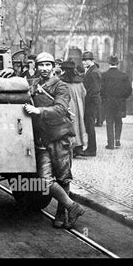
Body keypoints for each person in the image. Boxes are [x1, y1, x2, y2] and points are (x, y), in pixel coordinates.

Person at [23, 52, 85, 229]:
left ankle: (61, 215)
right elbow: (20, 86)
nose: (44, 69)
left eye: (47, 65)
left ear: (53, 67)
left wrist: (38, 111)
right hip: (42, 139)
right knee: (44, 180)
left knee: (63, 178)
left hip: (60, 138)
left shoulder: (61, 86)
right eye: (41, 65)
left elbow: (60, 109)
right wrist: (10, 73)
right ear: (36, 67)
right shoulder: (34, 83)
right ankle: (73, 207)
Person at [100, 55, 132, 149]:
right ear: (118, 63)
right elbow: (128, 90)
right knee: (119, 121)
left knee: (109, 122)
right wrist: (123, 98)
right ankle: (117, 140)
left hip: (108, 103)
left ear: (109, 63)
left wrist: (104, 99)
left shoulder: (104, 75)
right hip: (120, 103)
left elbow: (101, 90)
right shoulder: (124, 76)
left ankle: (110, 143)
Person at [59, 59, 87, 157]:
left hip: (67, 105)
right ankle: (78, 147)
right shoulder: (79, 81)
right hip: (79, 106)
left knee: (68, 125)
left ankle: (70, 146)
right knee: (79, 125)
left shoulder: (61, 81)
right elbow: (84, 93)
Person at [80, 51, 101, 157]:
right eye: (83, 60)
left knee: (90, 126)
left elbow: (95, 90)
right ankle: (90, 148)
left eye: (86, 60)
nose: (83, 62)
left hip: (92, 103)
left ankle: (92, 149)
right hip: (91, 102)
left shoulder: (94, 72)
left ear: (92, 60)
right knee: (89, 126)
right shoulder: (91, 70)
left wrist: (85, 98)